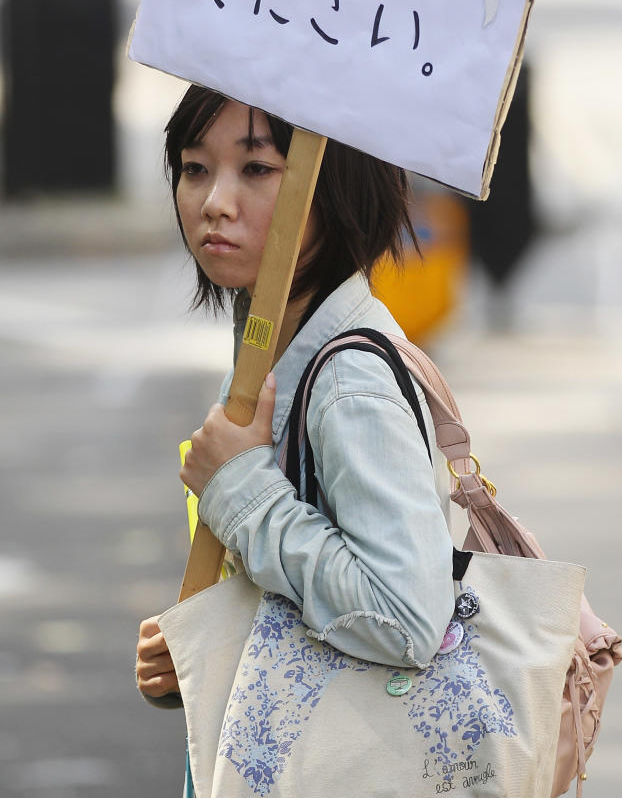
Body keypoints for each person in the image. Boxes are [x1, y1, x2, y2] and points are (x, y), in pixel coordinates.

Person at [135, 85, 454, 789]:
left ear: (332, 184)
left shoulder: (345, 383)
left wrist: (243, 488)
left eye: (256, 169)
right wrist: (193, 653)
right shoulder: (277, 347)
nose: (215, 200)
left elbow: (406, 616)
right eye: (194, 168)